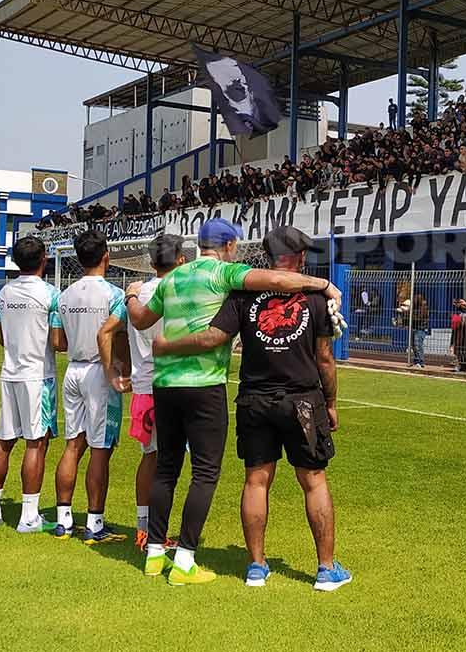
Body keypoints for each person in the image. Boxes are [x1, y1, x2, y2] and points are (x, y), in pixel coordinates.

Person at [123, 218, 341, 587]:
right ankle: (325, 569)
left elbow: (200, 330)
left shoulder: (227, 291)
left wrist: (134, 300)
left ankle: (252, 566)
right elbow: (323, 357)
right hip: (292, 397)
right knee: (312, 480)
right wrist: (331, 401)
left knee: (248, 479)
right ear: (300, 257)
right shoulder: (292, 292)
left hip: (240, 396)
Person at [52, 231, 129, 544]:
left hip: (73, 369)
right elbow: (117, 337)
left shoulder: (64, 294)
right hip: (100, 372)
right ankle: (95, 524)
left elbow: (58, 341)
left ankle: (63, 520)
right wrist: (119, 370)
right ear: (106, 256)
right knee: (100, 447)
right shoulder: (114, 294)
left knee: (73, 444)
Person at [0, 236, 61, 532]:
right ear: (44, 258)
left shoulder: (3, 293)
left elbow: (2, 337)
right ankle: (29, 515)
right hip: (37, 375)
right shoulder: (50, 294)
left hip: (11, 372)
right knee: (36, 442)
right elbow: (57, 341)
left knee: (4, 441)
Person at [125, 234, 185, 552]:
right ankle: (153, 535)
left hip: (143, 387)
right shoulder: (179, 292)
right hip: (171, 385)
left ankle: (145, 528)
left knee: (151, 457)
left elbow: (114, 331)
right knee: (167, 462)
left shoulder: (139, 293)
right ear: (181, 260)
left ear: (150, 263)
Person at [406, 292, 429, 368]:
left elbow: (419, 318)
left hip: (420, 328)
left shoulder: (423, 307)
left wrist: (410, 315)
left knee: (418, 345)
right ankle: (416, 360)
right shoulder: (414, 307)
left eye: (415, 299)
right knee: (414, 345)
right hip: (414, 327)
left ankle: (420, 361)